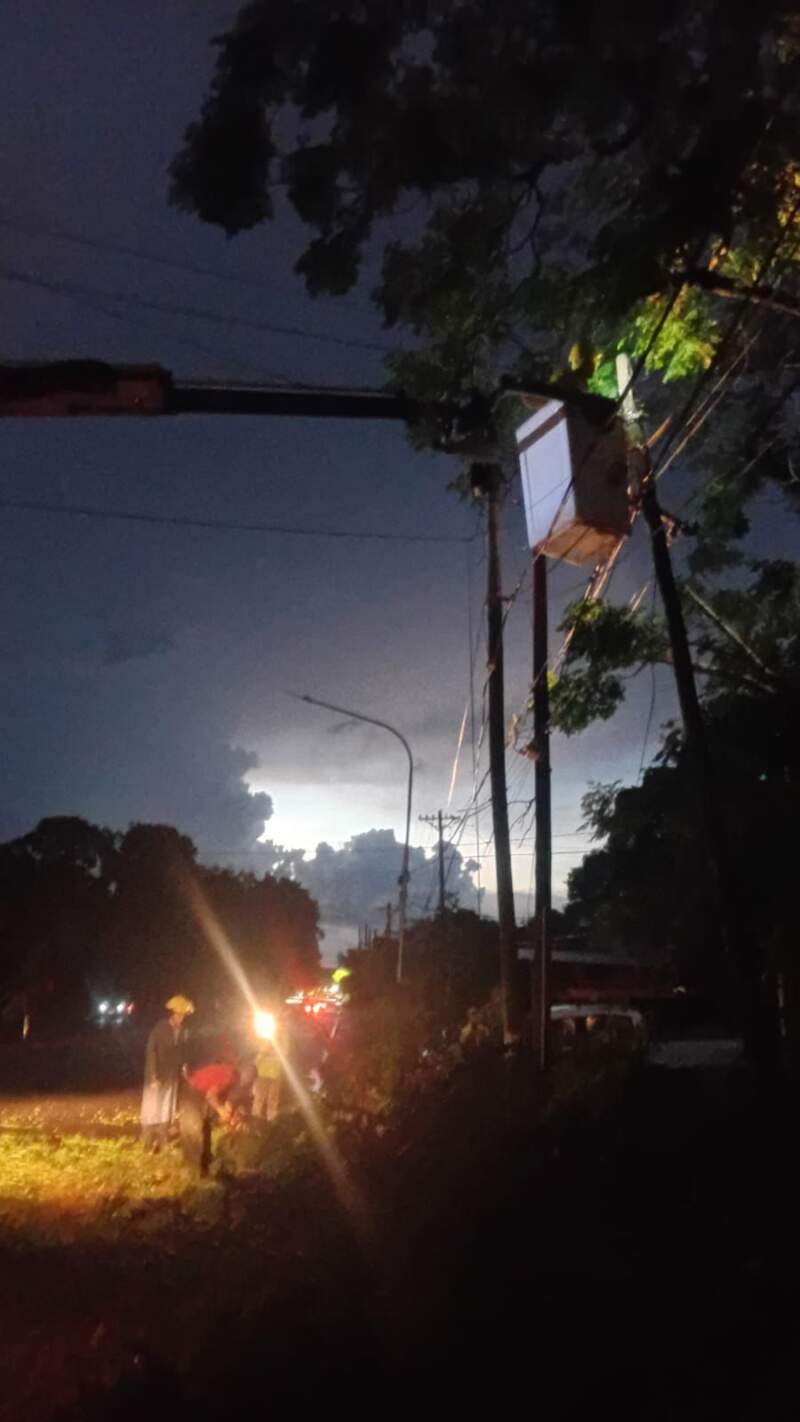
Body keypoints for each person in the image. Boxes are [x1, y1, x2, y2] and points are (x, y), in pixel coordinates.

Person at [140, 995, 194, 1152]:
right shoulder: (160, 1028)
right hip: (157, 1074)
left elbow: (183, 1053)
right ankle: (147, 1142)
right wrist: (152, 1074)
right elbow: (151, 1051)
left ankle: (163, 1141)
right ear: (173, 1013)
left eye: (183, 1015)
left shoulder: (183, 1031)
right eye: (179, 1014)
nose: (181, 1018)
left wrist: (184, 1069)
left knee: (166, 1107)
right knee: (151, 1106)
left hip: (172, 1075)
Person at [180, 1057, 240, 1176]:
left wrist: (227, 1110)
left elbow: (220, 1096)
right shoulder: (229, 1078)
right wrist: (221, 1111)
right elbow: (210, 1096)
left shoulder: (230, 1073)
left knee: (205, 1128)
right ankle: (195, 1170)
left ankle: (206, 1161)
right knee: (195, 1131)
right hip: (192, 1092)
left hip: (200, 1091)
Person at [252, 1022, 284, 1122]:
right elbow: (257, 1060)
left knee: (273, 1098)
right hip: (263, 1074)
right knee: (260, 1096)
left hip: (275, 1074)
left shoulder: (282, 1042)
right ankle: (255, 1117)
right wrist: (266, 1049)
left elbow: (285, 1053)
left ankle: (271, 1118)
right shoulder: (263, 1041)